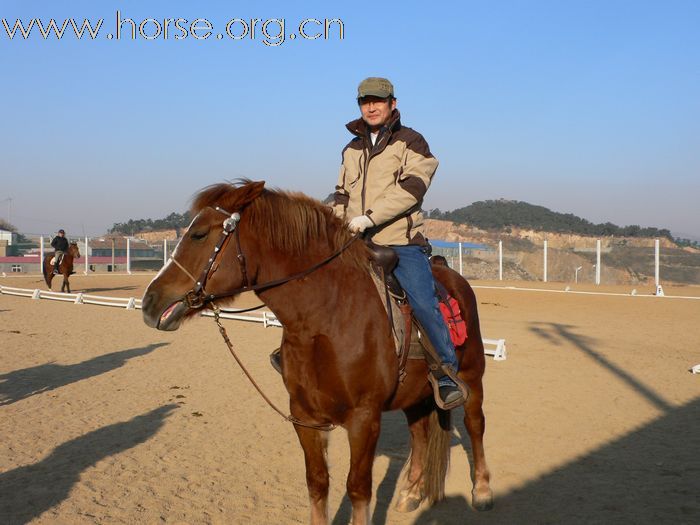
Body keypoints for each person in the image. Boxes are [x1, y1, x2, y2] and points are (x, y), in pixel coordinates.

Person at [332, 77, 464, 408]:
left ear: (393, 103)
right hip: (354, 241)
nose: (371, 107)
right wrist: (337, 221)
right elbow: (341, 192)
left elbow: (412, 190)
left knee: (422, 303)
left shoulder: (412, 142)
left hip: (401, 243)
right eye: (365, 102)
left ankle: (445, 372)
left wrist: (369, 218)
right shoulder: (351, 149)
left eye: (378, 101)